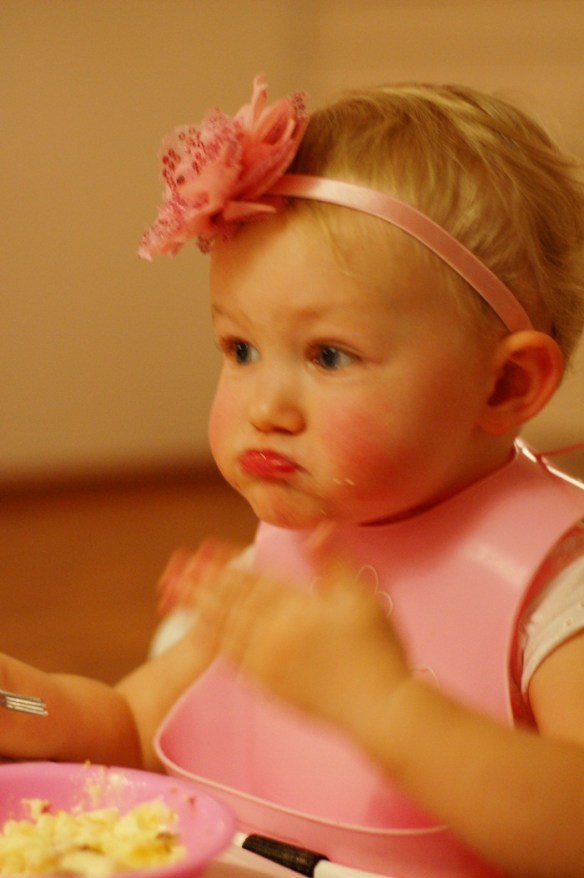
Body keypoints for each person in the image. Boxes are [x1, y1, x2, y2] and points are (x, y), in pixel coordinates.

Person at [140, 76, 584, 878]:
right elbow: (126, 723)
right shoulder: (290, 552)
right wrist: (21, 702)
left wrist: (383, 706)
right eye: (240, 349)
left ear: (505, 386)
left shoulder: (557, 591)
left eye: (328, 355)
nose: (265, 407)